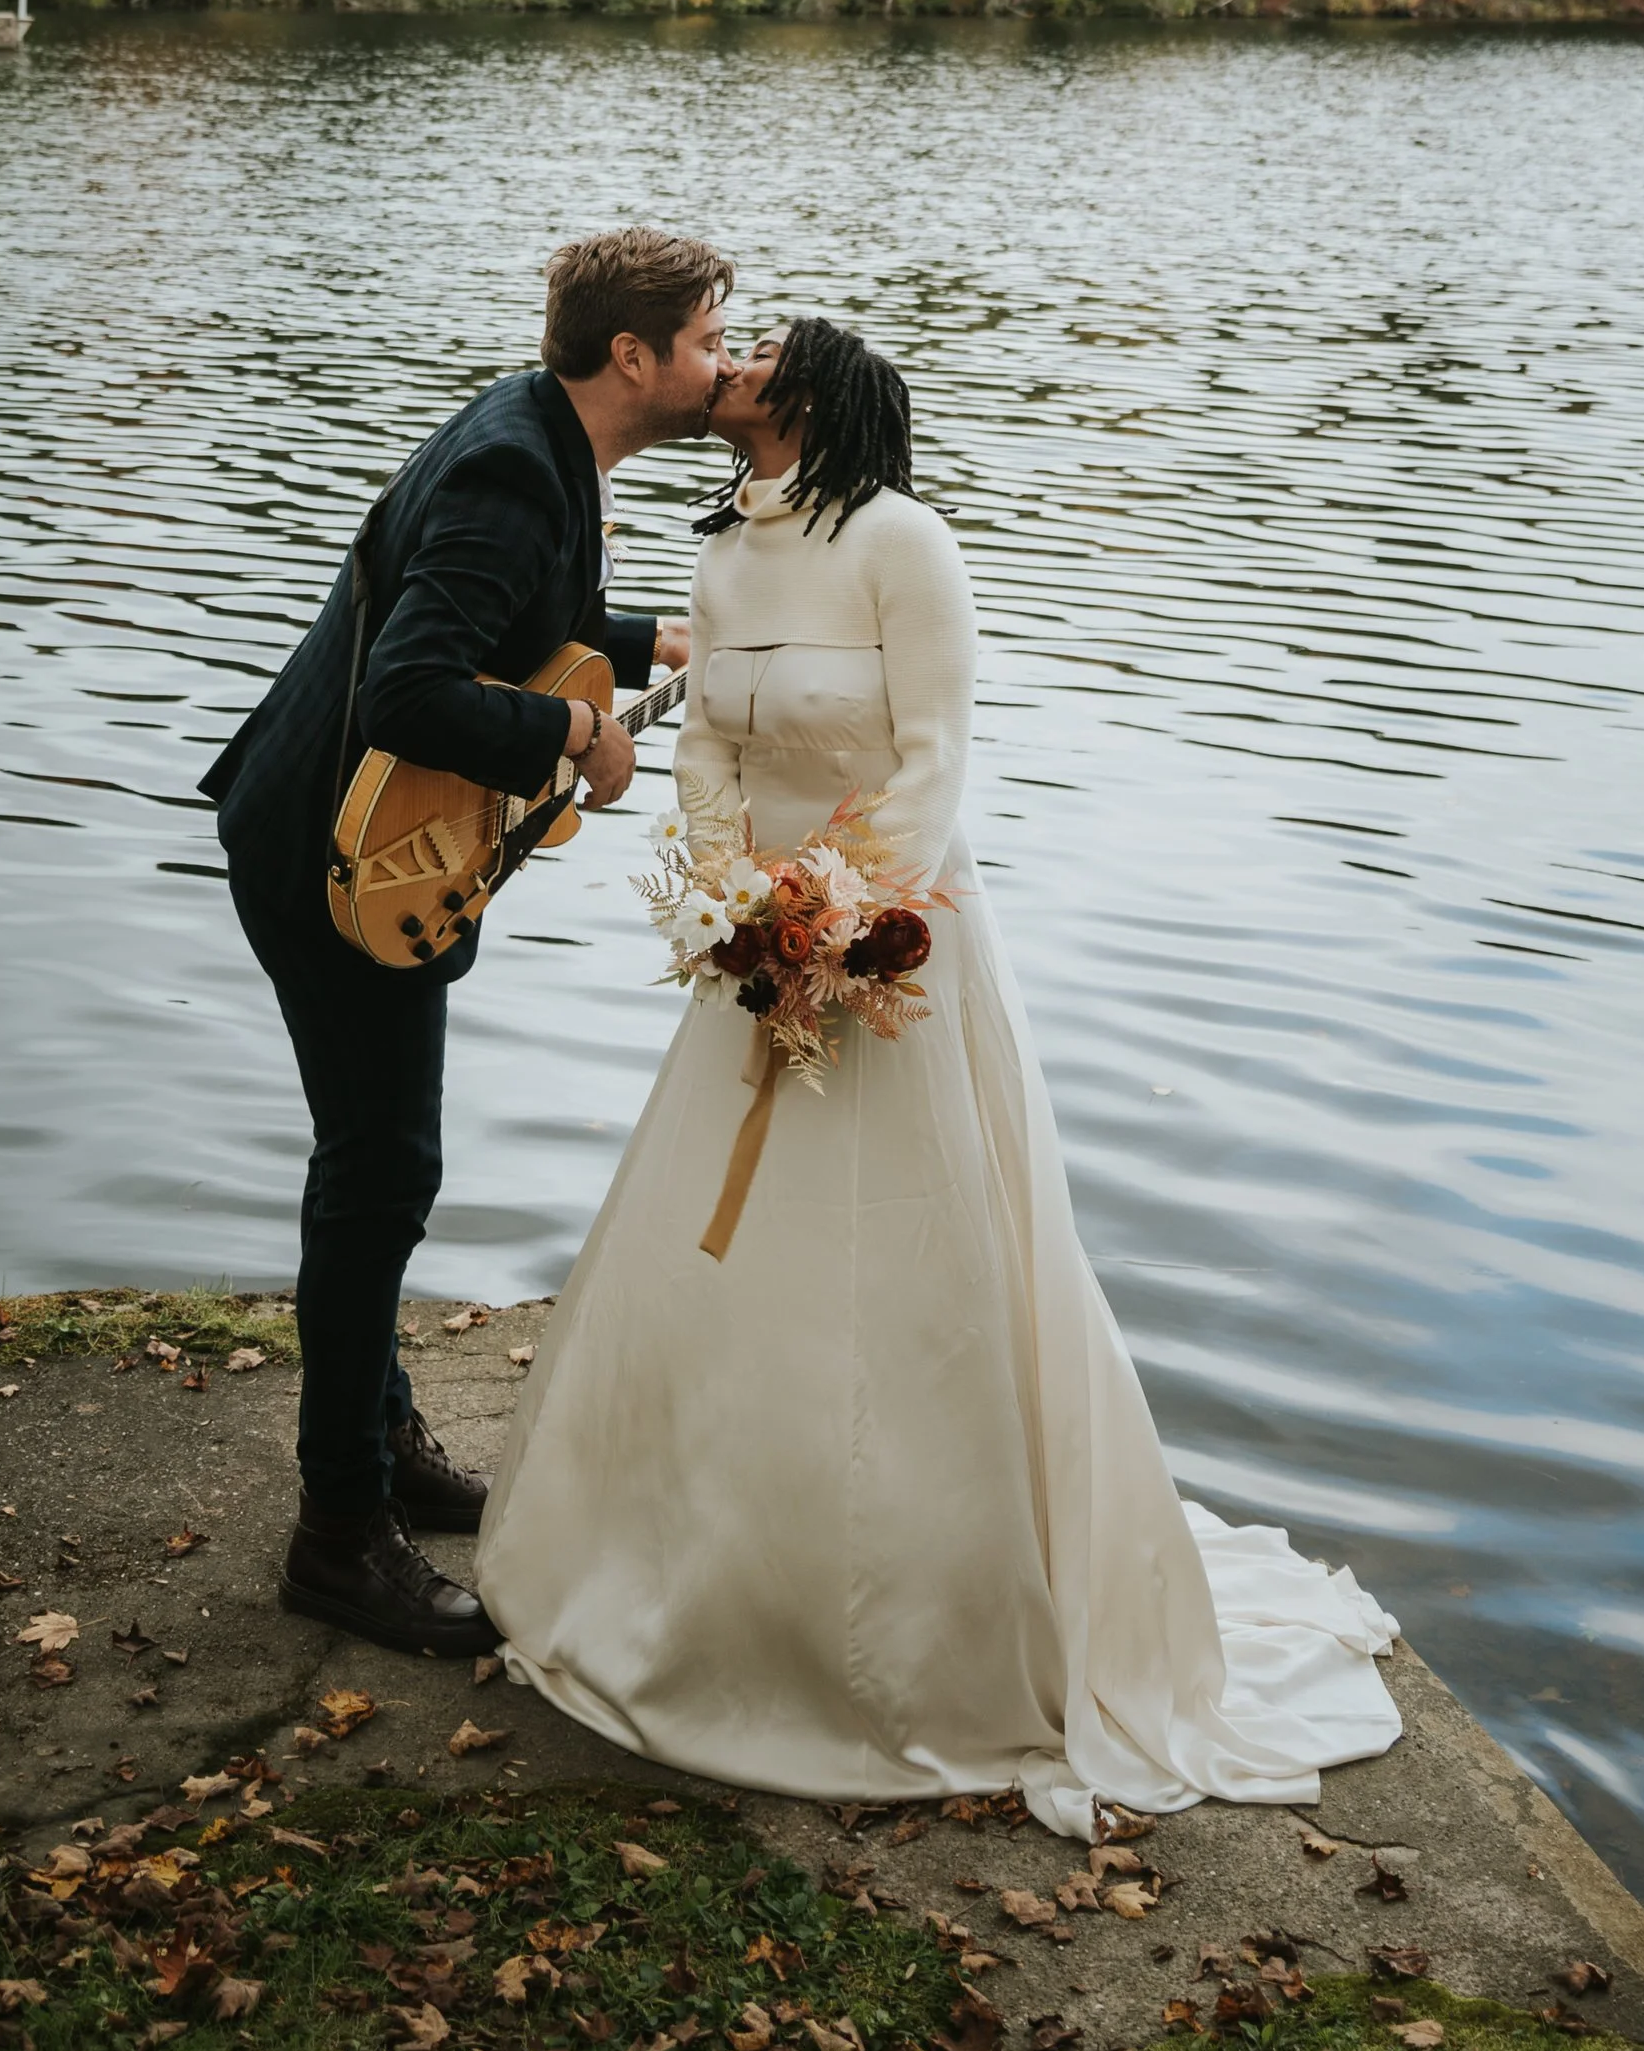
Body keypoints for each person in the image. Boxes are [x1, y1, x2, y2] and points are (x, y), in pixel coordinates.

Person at [476, 316, 1403, 1830]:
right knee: (716, 1252)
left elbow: (935, 757)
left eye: (764, 345)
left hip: (897, 945)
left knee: (904, 1259)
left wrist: (842, 921)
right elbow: (705, 741)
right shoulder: (722, 560)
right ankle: (682, 1586)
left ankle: (935, 1630)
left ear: (822, 395)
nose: (738, 360)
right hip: (751, 946)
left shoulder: (906, 544)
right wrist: (730, 896)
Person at [202, 227, 733, 1655]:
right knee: (381, 1169)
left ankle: (384, 1451)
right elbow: (406, 691)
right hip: (331, 845)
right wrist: (575, 731)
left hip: (352, 835)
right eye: (706, 340)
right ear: (634, 356)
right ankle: (337, 1536)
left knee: (380, 1156)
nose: (723, 364)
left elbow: (518, 604)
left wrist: (643, 645)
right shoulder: (516, 467)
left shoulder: (540, 435)